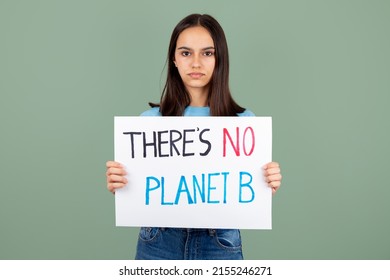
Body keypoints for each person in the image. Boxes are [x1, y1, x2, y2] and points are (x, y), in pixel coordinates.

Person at [106, 14, 282, 260]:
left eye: (207, 53)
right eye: (186, 53)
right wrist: (122, 184)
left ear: (220, 58)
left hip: (219, 241)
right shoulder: (149, 121)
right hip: (159, 239)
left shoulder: (244, 124)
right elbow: (141, 189)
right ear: (174, 60)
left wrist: (265, 183)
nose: (196, 63)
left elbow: (246, 190)